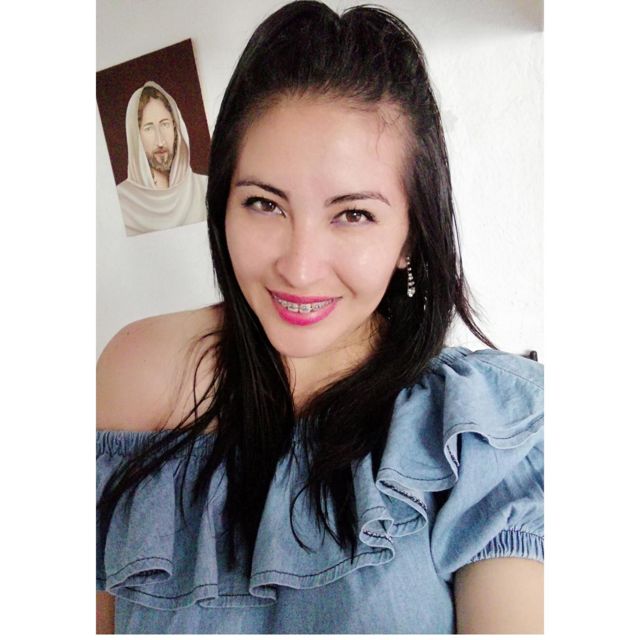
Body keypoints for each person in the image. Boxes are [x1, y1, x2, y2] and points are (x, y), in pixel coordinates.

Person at [97, 1, 543, 634]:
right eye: (264, 204)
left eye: (353, 214)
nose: (300, 269)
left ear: (411, 235)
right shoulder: (137, 371)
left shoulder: (483, 426)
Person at [116, 80, 207, 236]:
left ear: (175, 128)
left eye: (165, 124)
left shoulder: (204, 188)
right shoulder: (121, 203)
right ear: (136, 136)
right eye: (149, 128)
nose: (160, 141)